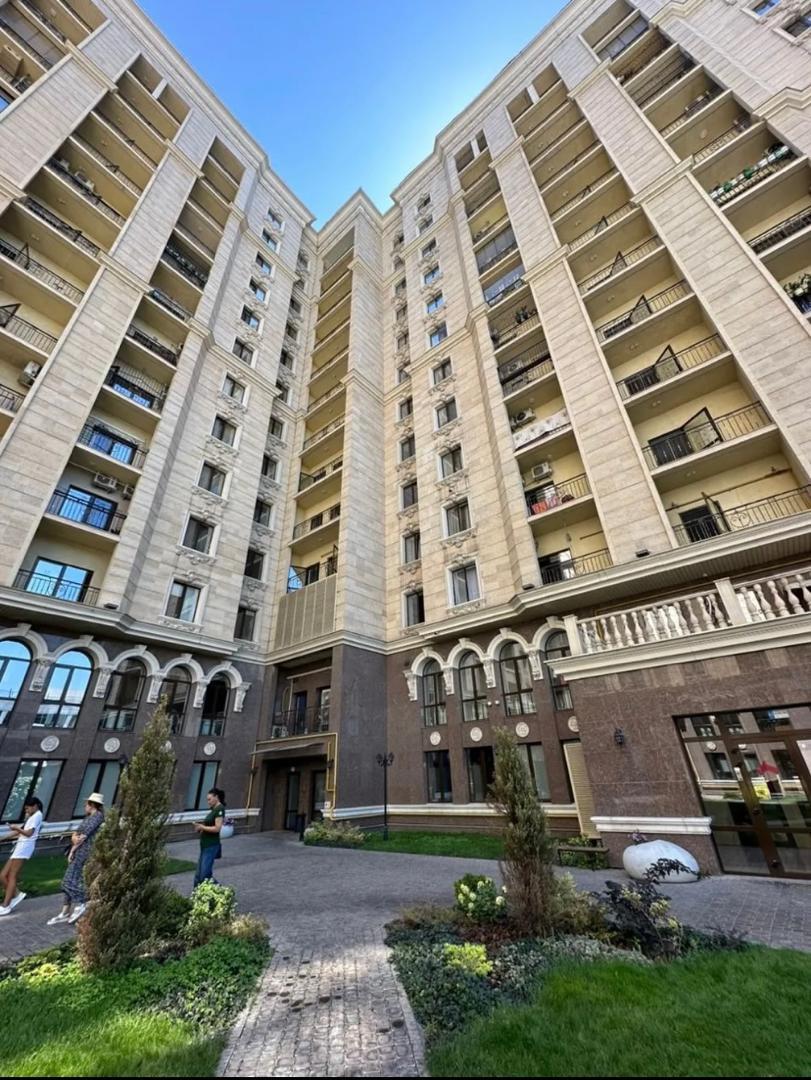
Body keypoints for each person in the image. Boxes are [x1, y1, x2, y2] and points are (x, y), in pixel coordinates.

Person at [46, 793, 105, 926]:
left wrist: (72, 850)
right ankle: (65, 911)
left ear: (92, 805)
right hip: (80, 850)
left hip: (84, 852)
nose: (85, 806)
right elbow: (76, 833)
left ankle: (85, 900)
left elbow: (82, 837)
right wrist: (74, 836)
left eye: (86, 804)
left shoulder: (97, 817)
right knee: (71, 878)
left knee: (67, 881)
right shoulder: (89, 818)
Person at [0, 796, 44, 916]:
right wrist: (3, 838)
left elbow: (28, 833)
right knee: (2, 875)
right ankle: (16, 894)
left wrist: (16, 828)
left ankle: (6, 905)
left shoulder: (37, 816)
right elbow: (20, 831)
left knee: (12, 876)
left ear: (35, 806)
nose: (26, 811)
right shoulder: (32, 817)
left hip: (24, 848)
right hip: (20, 847)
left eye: (27, 808)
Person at [193, 787, 225, 887]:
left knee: (205, 875)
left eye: (209, 799)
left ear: (216, 797)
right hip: (205, 845)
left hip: (211, 845)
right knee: (198, 875)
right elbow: (209, 825)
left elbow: (217, 828)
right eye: (207, 800)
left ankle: (222, 892)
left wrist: (202, 827)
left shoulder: (219, 809)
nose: (208, 802)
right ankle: (196, 895)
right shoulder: (213, 810)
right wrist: (200, 828)